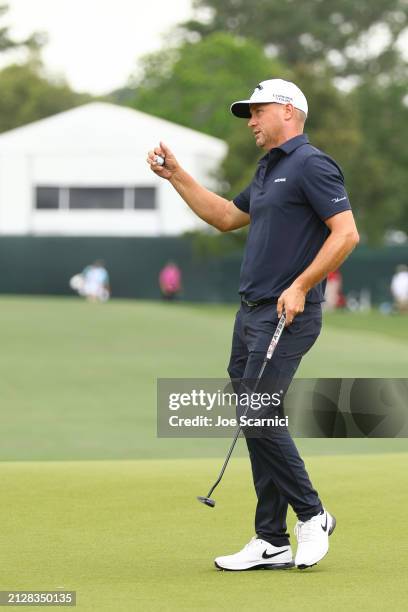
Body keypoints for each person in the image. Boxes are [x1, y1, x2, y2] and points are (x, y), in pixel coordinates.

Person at [147, 78, 359, 571]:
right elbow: (224, 216)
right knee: (254, 418)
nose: (250, 121)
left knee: (258, 414)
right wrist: (177, 175)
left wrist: (302, 284)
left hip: (287, 313)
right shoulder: (268, 169)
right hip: (251, 315)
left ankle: (312, 515)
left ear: (288, 111)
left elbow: (345, 233)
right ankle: (270, 539)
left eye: (257, 111)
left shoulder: (312, 164)